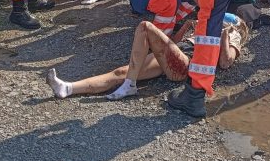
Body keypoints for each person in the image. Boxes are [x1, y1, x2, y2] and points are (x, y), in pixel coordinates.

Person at [46, 14, 248, 101]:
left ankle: (130, 86)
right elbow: (173, 43)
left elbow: (226, 62)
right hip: (178, 53)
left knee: (145, 27)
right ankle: (68, 88)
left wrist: (224, 35)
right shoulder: (206, 25)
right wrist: (187, 27)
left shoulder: (233, 34)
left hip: (188, 64)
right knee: (122, 72)